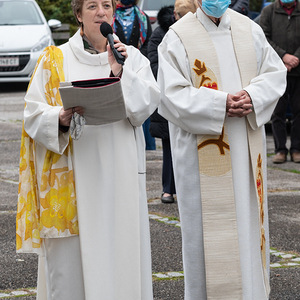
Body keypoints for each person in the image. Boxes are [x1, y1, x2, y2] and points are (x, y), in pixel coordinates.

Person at [16, 0, 160, 299]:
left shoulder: (130, 57)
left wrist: (121, 72)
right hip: (73, 174)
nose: (101, 12)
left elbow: (147, 104)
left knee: (120, 252)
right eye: (91, 6)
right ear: (79, 15)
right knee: (73, 268)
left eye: (106, 4)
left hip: (119, 171)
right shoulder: (54, 59)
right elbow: (32, 113)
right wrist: (59, 117)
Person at [157, 0, 286, 298]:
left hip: (245, 152)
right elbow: (169, 95)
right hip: (201, 156)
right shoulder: (177, 37)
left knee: (248, 228)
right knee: (206, 239)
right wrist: (219, 104)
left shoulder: (249, 29)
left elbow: (275, 74)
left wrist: (253, 96)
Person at [148, 0, 198, 203]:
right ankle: (168, 189)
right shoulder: (161, 34)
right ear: (174, 16)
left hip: (194, 97)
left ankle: (192, 190)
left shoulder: (198, 34)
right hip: (169, 97)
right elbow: (154, 65)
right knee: (169, 146)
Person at [260, 0, 300, 164]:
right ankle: (280, 150)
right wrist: (283, 56)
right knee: (278, 113)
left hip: (298, 70)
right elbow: (262, 37)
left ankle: (297, 149)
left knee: (299, 112)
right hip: (276, 70)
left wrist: (295, 58)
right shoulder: (269, 11)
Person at [113, 0, 155, 150]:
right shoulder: (109, 15)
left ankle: (146, 150)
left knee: (139, 110)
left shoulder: (142, 17)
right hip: (113, 70)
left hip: (136, 69)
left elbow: (147, 43)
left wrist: (133, 60)